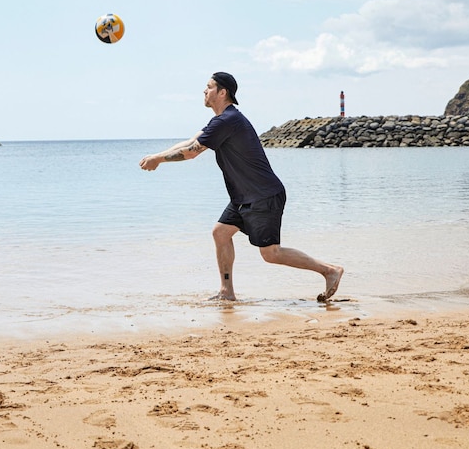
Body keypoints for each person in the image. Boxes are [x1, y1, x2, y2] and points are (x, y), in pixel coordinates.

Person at [139, 72, 343, 302]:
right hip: (244, 196)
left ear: (222, 92)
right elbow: (190, 142)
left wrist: (159, 161)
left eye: (208, 87)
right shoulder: (222, 120)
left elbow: (191, 153)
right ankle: (227, 292)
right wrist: (156, 156)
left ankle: (329, 270)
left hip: (262, 195)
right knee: (221, 233)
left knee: (271, 253)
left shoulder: (228, 120)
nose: (204, 91)